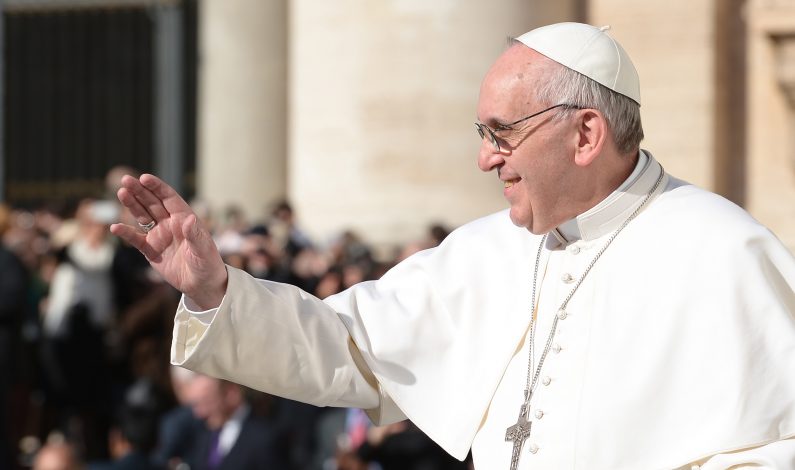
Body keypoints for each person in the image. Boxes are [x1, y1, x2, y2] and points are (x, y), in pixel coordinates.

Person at [110, 22, 795, 469]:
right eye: (481, 134)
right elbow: (346, 345)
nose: (485, 159)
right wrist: (214, 290)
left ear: (585, 135)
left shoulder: (723, 252)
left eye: (501, 133)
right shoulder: (484, 253)